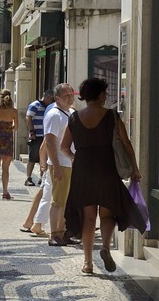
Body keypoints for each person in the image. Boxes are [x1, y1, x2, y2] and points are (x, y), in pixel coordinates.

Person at [59, 77, 141, 275]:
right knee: (107, 213)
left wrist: (74, 158)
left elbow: (63, 147)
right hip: (107, 168)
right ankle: (105, 246)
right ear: (101, 94)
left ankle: (87, 263)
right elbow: (127, 143)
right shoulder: (112, 116)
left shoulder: (74, 118)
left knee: (88, 218)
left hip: (83, 170)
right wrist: (135, 168)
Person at [38, 84, 78, 245]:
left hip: (71, 162)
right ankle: (54, 234)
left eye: (71, 94)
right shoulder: (54, 115)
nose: (70, 97)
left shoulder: (71, 112)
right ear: (57, 98)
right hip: (61, 162)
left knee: (67, 201)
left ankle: (63, 232)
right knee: (58, 200)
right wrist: (56, 166)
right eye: (66, 95)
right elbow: (49, 141)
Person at [24, 93, 52, 186]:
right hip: (36, 135)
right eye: (50, 99)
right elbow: (28, 117)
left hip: (45, 135)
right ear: (46, 96)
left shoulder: (49, 106)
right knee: (33, 157)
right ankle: (28, 178)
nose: (50, 101)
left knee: (43, 157)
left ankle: (41, 177)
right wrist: (32, 131)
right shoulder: (35, 105)